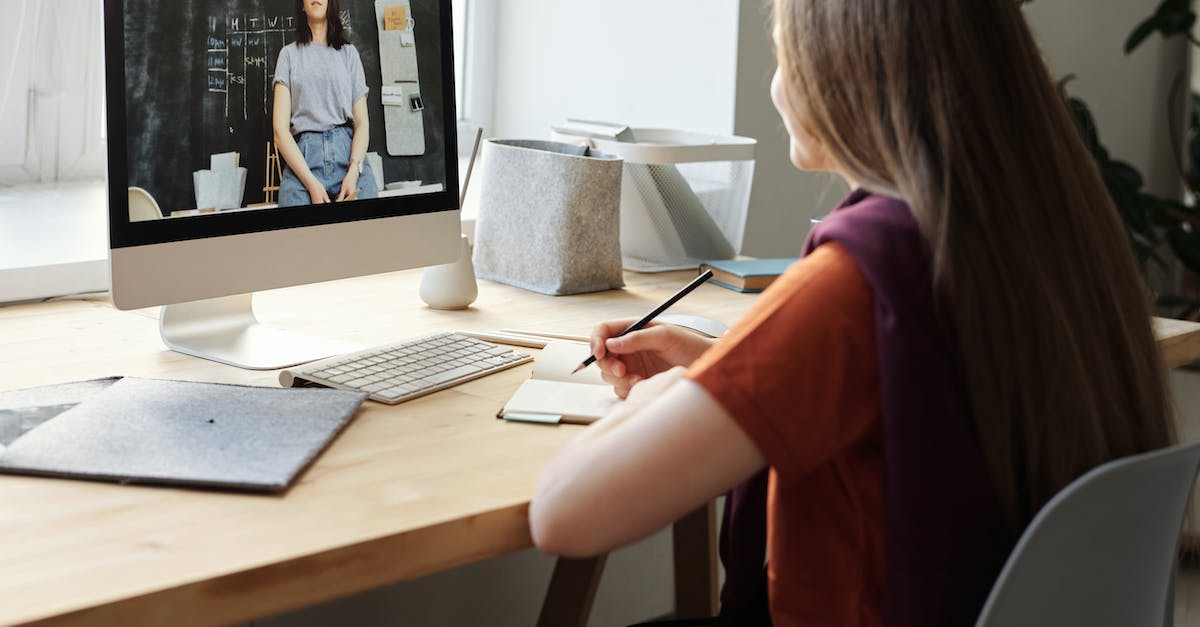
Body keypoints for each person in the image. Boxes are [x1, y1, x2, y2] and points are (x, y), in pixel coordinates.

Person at [529, 1, 1175, 626]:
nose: (779, 86)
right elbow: (930, 396)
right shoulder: (1052, 234)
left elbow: (561, 512)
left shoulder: (860, 281)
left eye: (786, 56)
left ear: (844, 68)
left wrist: (681, 392)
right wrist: (733, 374)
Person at [273, 0, 378, 207]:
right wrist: (311, 183)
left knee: (368, 232)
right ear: (302, 6)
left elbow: (362, 124)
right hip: (302, 163)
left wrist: (354, 170)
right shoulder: (288, 55)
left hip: (347, 156)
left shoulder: (349, 54)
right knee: (296, 235)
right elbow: (280, 130)